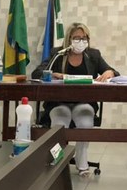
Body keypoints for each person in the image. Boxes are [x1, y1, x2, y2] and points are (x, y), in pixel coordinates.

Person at [32, 22, 118, 177]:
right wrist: (54, 74)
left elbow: (113, 72)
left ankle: (82, 163)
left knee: (85, 122)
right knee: (59, 122)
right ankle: (58, 161)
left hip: (84, 102)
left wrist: (110, 72)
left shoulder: (93, 55)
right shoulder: (58, 53)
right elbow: (37, 73)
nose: (81, 41)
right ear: (69, 39)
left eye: (84, 38)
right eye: (77, 38)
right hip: (59, 103)